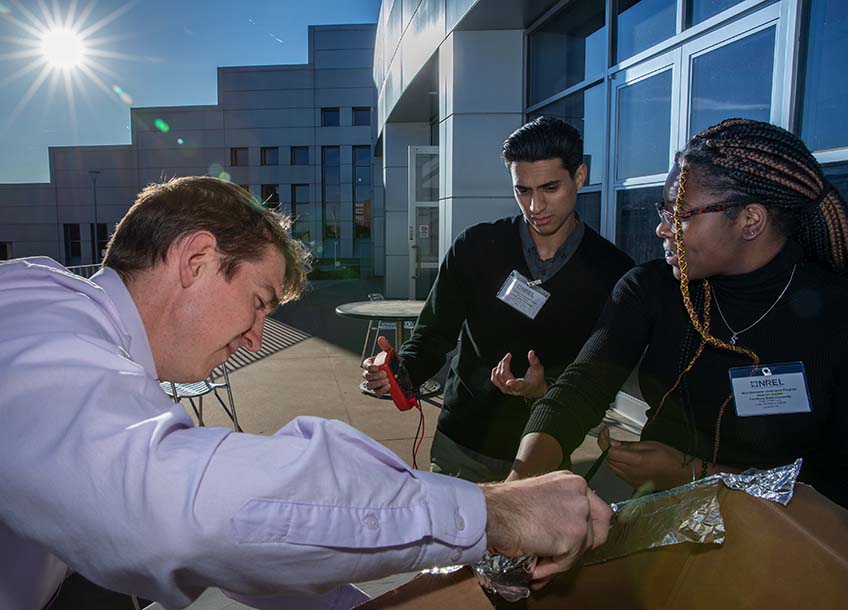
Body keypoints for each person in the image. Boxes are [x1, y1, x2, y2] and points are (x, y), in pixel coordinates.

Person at [0, 176, 611, 610]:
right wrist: (496, 512)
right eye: (258, 302)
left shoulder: (94, 344)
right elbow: (187, 510)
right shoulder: (35, 323)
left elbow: (239, 547)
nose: (255, 336)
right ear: (196, 259)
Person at [507, 118, 848, 507]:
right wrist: (515, 489)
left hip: (780, 536)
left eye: (679, 214)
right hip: (660, 519)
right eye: (662, 210)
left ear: (750, 221)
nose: (661, 229)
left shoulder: (835, 317)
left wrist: (695, 474)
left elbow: (834, 491)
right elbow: (580, 389)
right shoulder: (651, 289)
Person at [362, 117, 633, 483]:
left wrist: (544, 390)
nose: (535, 206)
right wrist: (401, 372)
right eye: (522, 190)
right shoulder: (476, 247)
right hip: (462, 443)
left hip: (545, 450)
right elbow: (433, 334)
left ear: (580, 176)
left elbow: (598, 379)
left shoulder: (612, 271)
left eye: (550, 187)